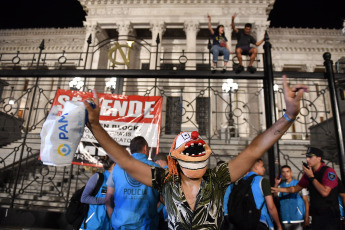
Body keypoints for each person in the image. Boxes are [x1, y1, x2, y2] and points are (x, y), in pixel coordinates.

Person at [84, 75, 308, 229]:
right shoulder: (166, 181)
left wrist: (289, 115)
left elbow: (254, 149)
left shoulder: (216, 179)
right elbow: (124, 160)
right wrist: (94, 124)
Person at [271, 147, 340, 230]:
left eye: (310, 157)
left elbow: (325, 192)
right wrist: (277, 189)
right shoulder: (309, 173)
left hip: (329, 216)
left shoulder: (328, 171)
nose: (307, 159)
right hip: (316, 215)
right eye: (306, 156)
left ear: (319, 158)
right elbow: (295, 188)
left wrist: (311, 177)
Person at [105, 136, 160, 229]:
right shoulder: (156, 168)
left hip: (120, 224)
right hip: (147, 225)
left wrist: (114, 219)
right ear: (145, 148)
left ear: (131, 150)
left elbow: (108, 197)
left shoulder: (117, 168)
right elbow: (163, 198)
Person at [229, 159, 282, 230]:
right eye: (262, 166)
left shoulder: (239, 181)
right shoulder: (262, 181)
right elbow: (271, 207)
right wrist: (278, 225)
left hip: (242, 223)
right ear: (256, 167)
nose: (264, 168)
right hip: (259, 221)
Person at [80, 155, 115, 230]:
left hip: (108, 226)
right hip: (90, 226)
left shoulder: (119, 182)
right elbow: (84, 198)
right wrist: (106, 200)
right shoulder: (98, 177)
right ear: (114, 165)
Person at [273, 165, 309, 230]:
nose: (285, 174)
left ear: (291, 172)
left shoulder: (299, 184)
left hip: (298, 219)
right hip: (285, 219)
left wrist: (306, 217)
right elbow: (275, 196)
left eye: (287, 171)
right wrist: (276, 184)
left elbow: (306, 201)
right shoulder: (280, 186)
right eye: (283, 172)